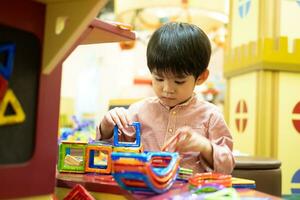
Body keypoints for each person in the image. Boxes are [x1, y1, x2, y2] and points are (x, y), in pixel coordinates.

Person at [96, 22, 235, 174]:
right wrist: (106, 127)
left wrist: (205, 147)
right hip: (144, 192)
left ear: (201, 77)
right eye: (159, 79)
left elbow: (227, 166)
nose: (167, 89)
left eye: (179, 81)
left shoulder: (211, 116)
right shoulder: (137, 112)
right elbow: (106, 155)